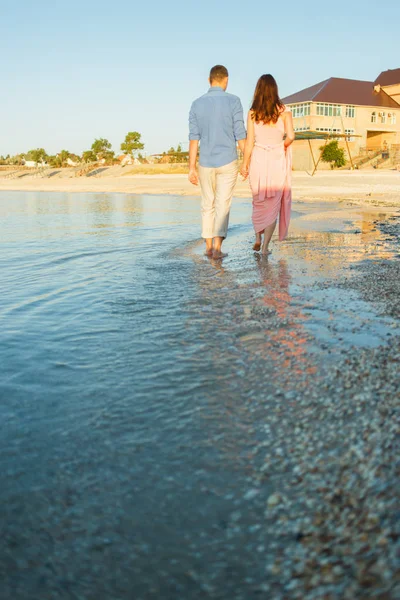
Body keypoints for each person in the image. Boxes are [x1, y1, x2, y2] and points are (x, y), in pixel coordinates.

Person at [188, 65, 246, 259]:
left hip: (205, 162)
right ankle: (218, 249)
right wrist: (247, 162)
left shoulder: (196, 104)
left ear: (209, 80)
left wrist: (191, 168)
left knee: (207, 204)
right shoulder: (234, 101)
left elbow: (193, 138)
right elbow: (240, 134)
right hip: (228, 161)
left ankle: (207, 248)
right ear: (226, 80)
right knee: (223, 204)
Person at [240, 74, 294, 255]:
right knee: (273, 206)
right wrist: (282, 146)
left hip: (258, 159)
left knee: (258, 201)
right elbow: (291, 137)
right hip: (276, 161)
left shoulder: (253, 113)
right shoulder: (285, 113)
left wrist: (244, 165)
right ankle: (265, 248)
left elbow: (249, 143)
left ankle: (257, 237)